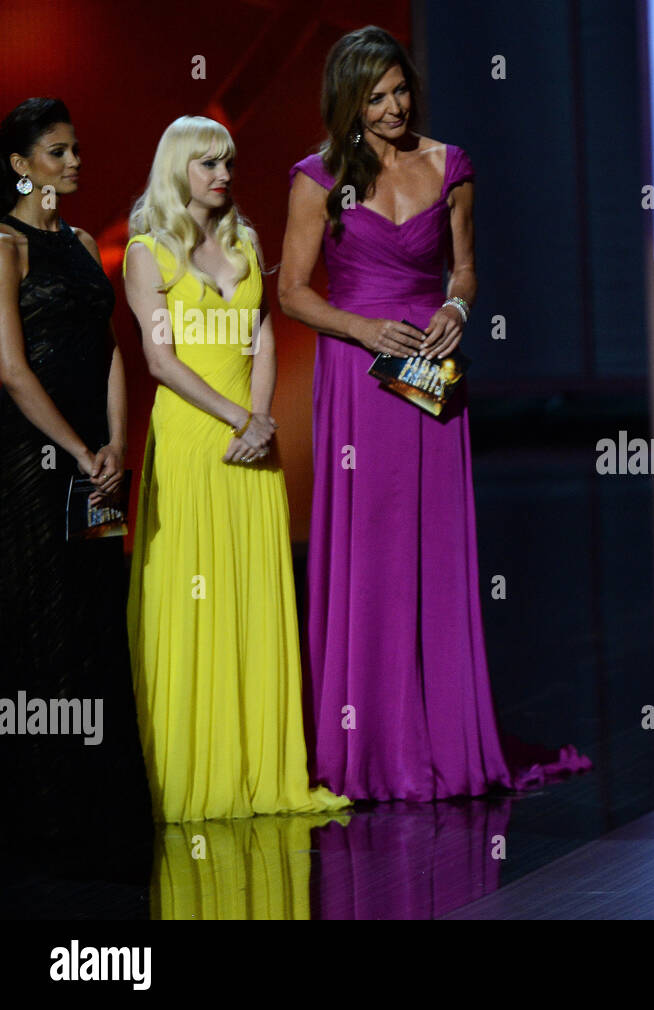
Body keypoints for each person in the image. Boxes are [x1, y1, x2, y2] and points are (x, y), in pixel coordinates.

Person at [280, 26, 589, 801]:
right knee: (368, 550)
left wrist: (456, 305)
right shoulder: (316, 179)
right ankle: (366, 743)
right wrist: (360, 328)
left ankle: (442, 736)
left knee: (432, 546)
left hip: (429, 374)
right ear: (348, 101)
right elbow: (291, 291)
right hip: (358, 376)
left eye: (400, 90)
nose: (393, 107)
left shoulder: (449, 166)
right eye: (375, 96)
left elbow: (468, 270)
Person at [123, 115, 350, 822]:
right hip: (194, 442)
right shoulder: (146, 253)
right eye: (208, 164)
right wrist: (235, 420)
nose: (223, 175)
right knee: (194, 598)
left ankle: (262, 770)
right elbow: (160, 361)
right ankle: (195, 774)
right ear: (178, 170)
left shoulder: (245, 244)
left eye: (228, 163)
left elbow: (261, 336)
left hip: (253, 444)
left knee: (251, 598)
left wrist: (260, 420)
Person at [0, 97, 153, 887]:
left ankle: (98, 799)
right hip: (33, 460)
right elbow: (9, 368)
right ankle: (42, 807)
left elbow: (112, 352)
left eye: (77, 149)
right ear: (21, 164)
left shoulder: (87, 243)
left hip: (96, 462)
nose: (74, 163)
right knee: (43, 622)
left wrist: (117, 446)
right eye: (57, 152)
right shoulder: (5, 245)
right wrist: (75, 446)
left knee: (96, 615)